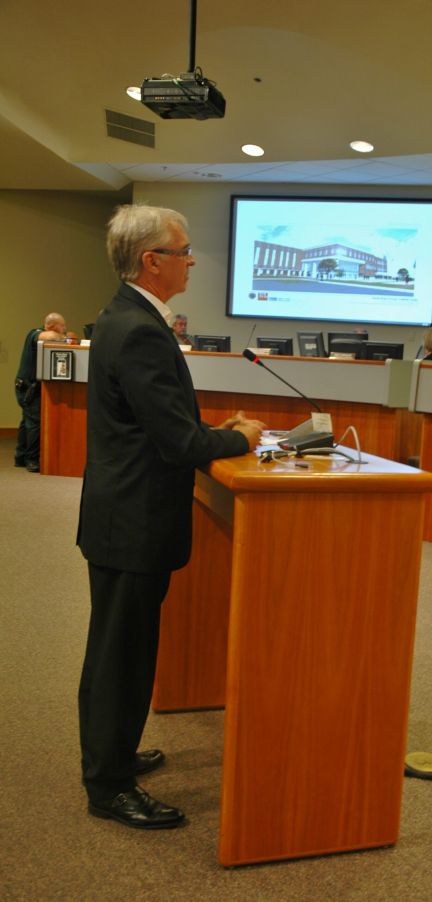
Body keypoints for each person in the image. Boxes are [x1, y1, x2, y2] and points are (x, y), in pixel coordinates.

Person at [77, 204, 264, 830]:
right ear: (151, 260)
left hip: (123, 514)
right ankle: (108, 785)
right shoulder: (139, 329)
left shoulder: (126, 316)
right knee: (120, 656)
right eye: (183, 251)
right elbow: (178, 443)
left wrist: (213, 429)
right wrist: (239, 438)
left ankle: (115, 753)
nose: (192, 261)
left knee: (122, 648)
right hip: (131, 521)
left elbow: (158, 422)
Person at [14, 312, 67, 472]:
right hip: (28, 388)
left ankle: (20, 457)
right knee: (34, 424)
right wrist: (64, 337)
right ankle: (32, 460)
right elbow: (50, 336)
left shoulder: (39, 335)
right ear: (52, 326)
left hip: (27, 387)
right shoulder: (35, 334)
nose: (64, 329)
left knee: (27, 422)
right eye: (62, 326)